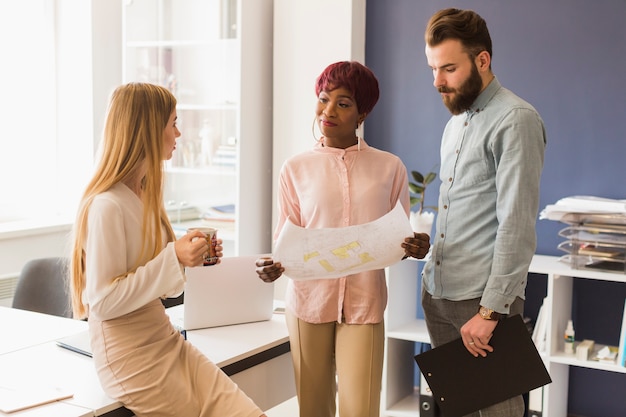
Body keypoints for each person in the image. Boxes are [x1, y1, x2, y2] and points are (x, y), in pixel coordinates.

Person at [68, 82, 267, 417]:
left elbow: (163, 287)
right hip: (131, 356)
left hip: (165, 340)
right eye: (173, 123)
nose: (179, 133)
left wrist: (189, 261)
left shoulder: (145, 196)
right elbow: (102, 302)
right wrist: (172, 257)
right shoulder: (107, 206)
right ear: (148, 129)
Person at [255, 61, 430, 417]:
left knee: (361, 410)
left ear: (362, 112)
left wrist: (415, 246)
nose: (328, 111)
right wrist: (274, 266)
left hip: (364, 303)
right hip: (307, 302)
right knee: (313, 408)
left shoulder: (390, 167)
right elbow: (285, 240)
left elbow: (397, 240)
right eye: (323, 99)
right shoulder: (295, 168)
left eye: (343, 103)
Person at [421, 8, 547, 417]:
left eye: (449, 68)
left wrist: (490, 311)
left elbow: (516, 224)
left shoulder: (516, 120)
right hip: (439, 293)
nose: (438, 81)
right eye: (433, 68)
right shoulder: (455, 124)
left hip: (481, 302)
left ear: (482, 60)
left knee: (496, 412)